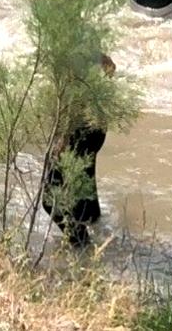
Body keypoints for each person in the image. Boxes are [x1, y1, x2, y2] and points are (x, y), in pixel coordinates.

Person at [42, 53, 115, 248]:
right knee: (86, 197)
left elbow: (74, 92)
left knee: (50, 200)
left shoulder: (68, 41)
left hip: (79, 129)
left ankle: (82, 248)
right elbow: (109, 66)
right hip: (96, 125)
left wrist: (63, 138)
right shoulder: (83, 34)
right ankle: (100, 234)